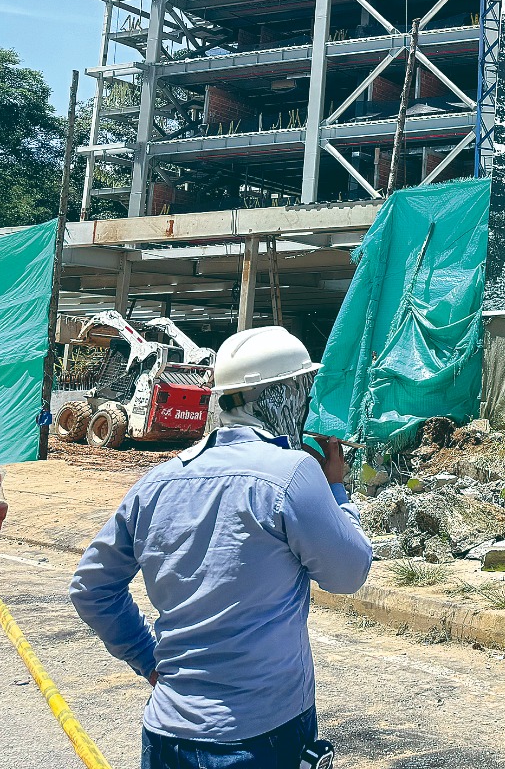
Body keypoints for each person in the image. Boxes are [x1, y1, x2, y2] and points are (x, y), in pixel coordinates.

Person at [70, 326, 373, 769]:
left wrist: (147, 659)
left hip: (167, 734)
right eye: (302, 389)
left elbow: (91, 587)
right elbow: (350, 572)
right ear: (280, 395)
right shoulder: (291, 474)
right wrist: (337, 490)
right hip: (261, 735)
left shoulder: (159, 480)